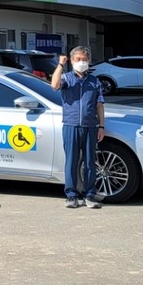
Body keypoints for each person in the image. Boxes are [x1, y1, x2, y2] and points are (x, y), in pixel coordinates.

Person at [50, 46, 105, 209]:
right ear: (72, 61)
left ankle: (90, 194)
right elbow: (54, 85)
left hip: (90, 126)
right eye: (78, 59)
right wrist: (60, 65)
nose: (82, 62)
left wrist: (101, 126)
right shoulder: (67, 78)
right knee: (71, 161)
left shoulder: (94, 81)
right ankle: (71, 195)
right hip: (71, 125)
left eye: (84, 59)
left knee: (89, 162)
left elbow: (99, 105)